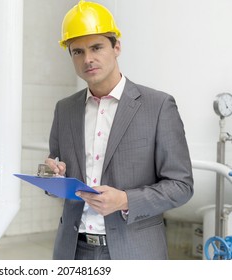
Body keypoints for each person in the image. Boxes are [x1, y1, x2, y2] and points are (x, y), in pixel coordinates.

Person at [44, 0, 194, 260]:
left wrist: (125, 200)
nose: (87, 59)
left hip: (134, 251)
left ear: (117, 47)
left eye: (96, 47)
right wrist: (50, 176)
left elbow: (181, 185)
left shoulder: (157, 106)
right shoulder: (64, 109)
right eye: (77, 51)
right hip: (72, 250)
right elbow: (57, 173)